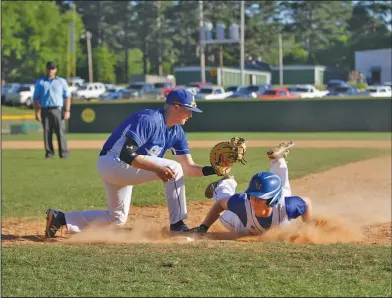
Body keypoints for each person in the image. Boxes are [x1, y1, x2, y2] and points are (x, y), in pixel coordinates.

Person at [44, 88, 220, 238]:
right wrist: (158, 169)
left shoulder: (177, 132)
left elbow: (189, 168)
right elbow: (126, 154)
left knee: (116, 219)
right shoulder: (149, 119)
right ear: (175, 107)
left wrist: (215, 169)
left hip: (124, 167)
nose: (190, 115)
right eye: (189, 110)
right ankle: (178, 226)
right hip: (113, 161)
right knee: (172, 167)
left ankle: (60, 219)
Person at [188, 141, 313, 236]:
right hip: (241, 223)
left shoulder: (288, 206)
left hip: (278, 208)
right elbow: (220, 204)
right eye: (252, 195)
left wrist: (308, 227)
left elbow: (306, 203)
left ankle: (278, 159)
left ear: (273, 200)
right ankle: (225, 184)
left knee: (283, 187)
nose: (253, 200)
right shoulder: (242, 204)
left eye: (259, 198)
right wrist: (204, 227)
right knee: (223, 201)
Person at [33, 61, 71, 159]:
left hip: (58, 109)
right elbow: (36, 98)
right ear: (46, 69)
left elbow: (67, 97)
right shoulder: (40, 82)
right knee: (47, 132)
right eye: (49, 68)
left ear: (55, 70)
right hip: (45, 110)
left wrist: (67, 110)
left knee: (60, 132)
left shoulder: (61, 81)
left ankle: (64, 153)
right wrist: (37, 112)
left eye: (53, 68)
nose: (51, 70)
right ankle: (49, 153)